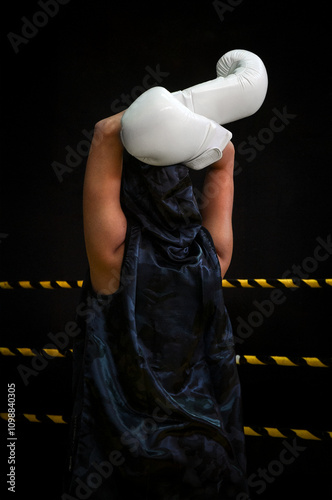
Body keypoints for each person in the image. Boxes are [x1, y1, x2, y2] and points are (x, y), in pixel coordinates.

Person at [63, 50, 268, 500]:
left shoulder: (115, 257)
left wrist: (155, 116)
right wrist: (192, 118)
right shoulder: (211, 258)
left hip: (125, 455)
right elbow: (224, 160)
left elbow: (105, 132)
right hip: (203, 449)